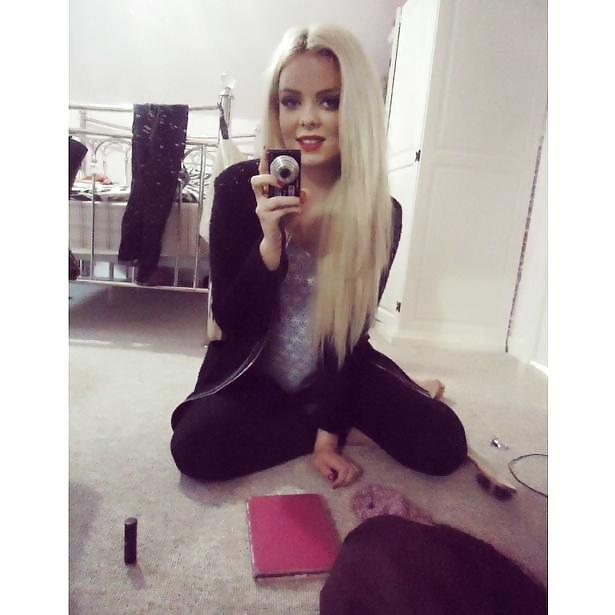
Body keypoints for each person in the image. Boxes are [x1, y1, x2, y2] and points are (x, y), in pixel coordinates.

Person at [170, 24, 468, 489]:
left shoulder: (379, 213)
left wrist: (328, 438)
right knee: (195, 447)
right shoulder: (237, 189)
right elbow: (232, 323)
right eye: (291, 101)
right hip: (253, 372)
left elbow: (347, 337)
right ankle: (344, 426)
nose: (307, 118)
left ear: (358, 110)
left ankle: (331, 419)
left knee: (443, 443)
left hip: (335, 371)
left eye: (330, 101)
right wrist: (270, 246)